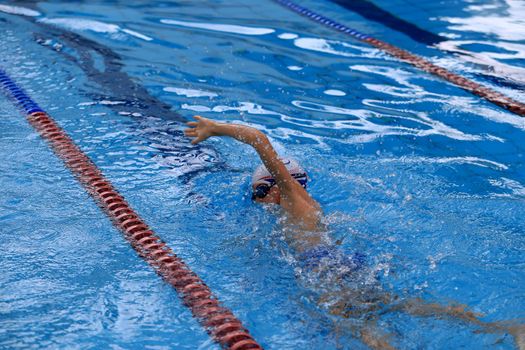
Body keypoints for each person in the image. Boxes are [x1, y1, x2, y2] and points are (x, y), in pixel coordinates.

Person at [185, 115, 524, 350]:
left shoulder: (292, 198)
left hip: (324, 270)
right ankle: (506, 329)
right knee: (404, 305)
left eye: (258, 193)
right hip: (344, 263)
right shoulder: (306, 206)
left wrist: (216, 128)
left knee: (357, 328)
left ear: (277, 186)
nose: (256, 201)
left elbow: (259, 140)